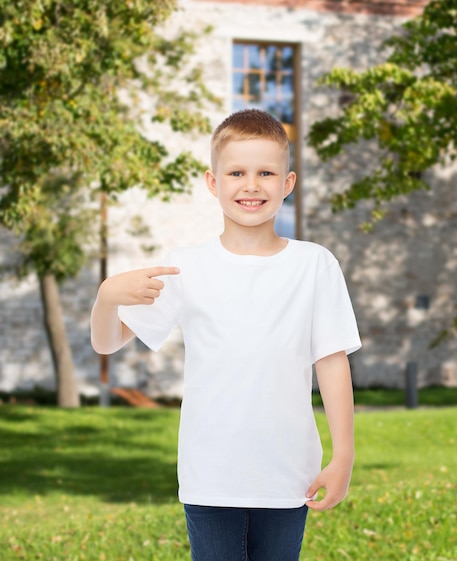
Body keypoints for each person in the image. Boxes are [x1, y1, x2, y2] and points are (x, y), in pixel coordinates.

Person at [90, 108, 361, 561]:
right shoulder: (186, 266)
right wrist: (106, 298)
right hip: (210, 476)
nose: (251, 185)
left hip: (288, 475)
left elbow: (332, 363)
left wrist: (344, 456)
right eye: (236, 172)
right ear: (213, 183)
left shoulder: (314, 265)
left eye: (265, 173)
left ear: (288, 183)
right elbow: (106, 342)